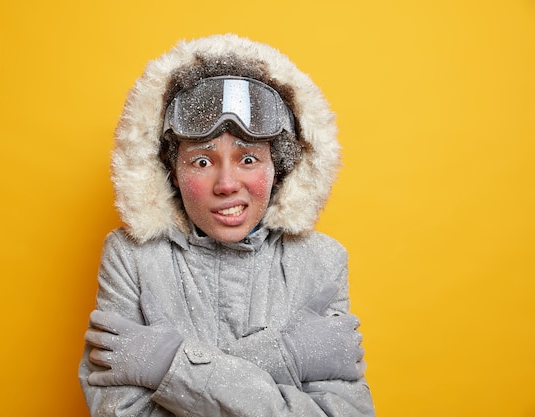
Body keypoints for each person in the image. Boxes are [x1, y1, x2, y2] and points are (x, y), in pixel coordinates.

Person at [79, 34, 375, 417]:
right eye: (201, 161)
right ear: (171, 171)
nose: (226, 184)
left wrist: (168, 366)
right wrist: (288, 356)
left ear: (278, 167)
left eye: (248, 158)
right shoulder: (131, 257)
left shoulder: (321, 262)